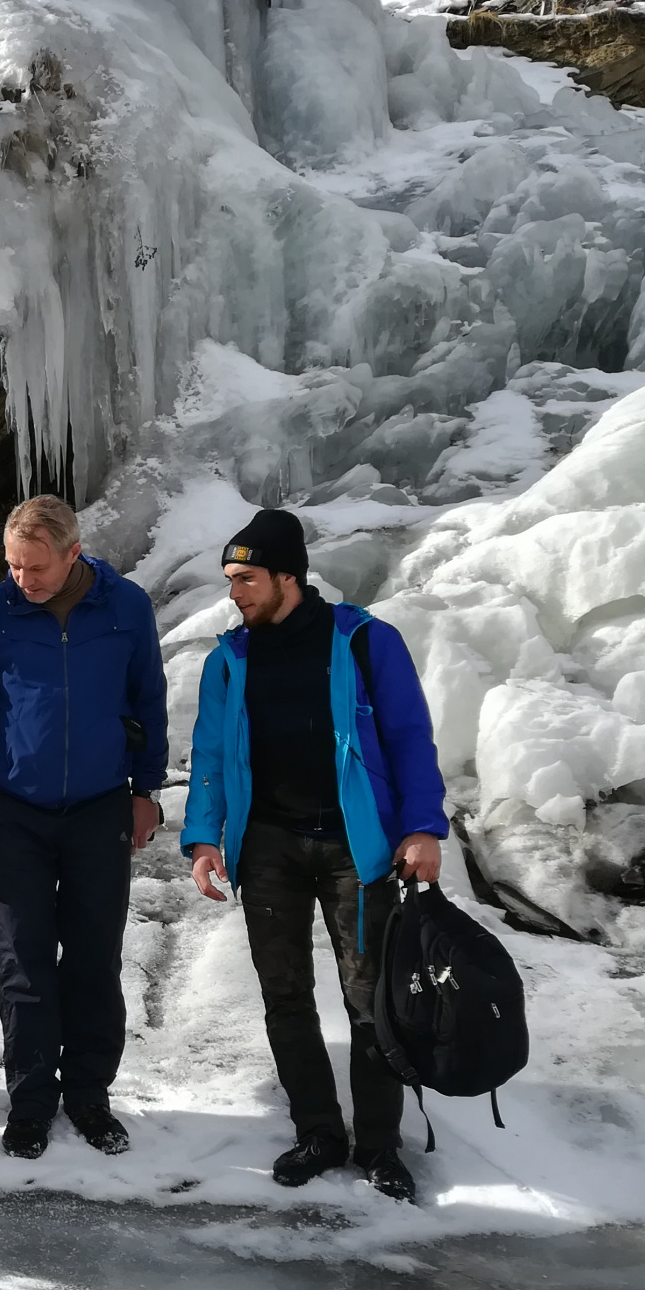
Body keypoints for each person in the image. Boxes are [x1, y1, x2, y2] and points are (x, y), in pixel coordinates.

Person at [180, 508, 447, 1202]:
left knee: (369, 998)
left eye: (245, 578)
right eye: (228, 579)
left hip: (354, 848)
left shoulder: (363, 642)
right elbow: (208, 755)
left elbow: (409, 738)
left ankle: (379, 1145)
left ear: (286, 575)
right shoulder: (227, 660)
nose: (233, 592)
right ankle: (317, 1131)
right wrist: (203, 837)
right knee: (284, 995)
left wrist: (421, 828)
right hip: (266, 844)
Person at [0, 496, 168, 1160]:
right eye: (11, 566)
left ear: (71, 554)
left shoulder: (124, 608)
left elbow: (147, 699)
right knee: (22, 958)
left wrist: (145, 789)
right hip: (14, 809)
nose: (21, 581)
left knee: (93, 956)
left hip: (98, 807)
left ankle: (89, 1096)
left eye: (34, 567)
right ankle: (30, 1101)